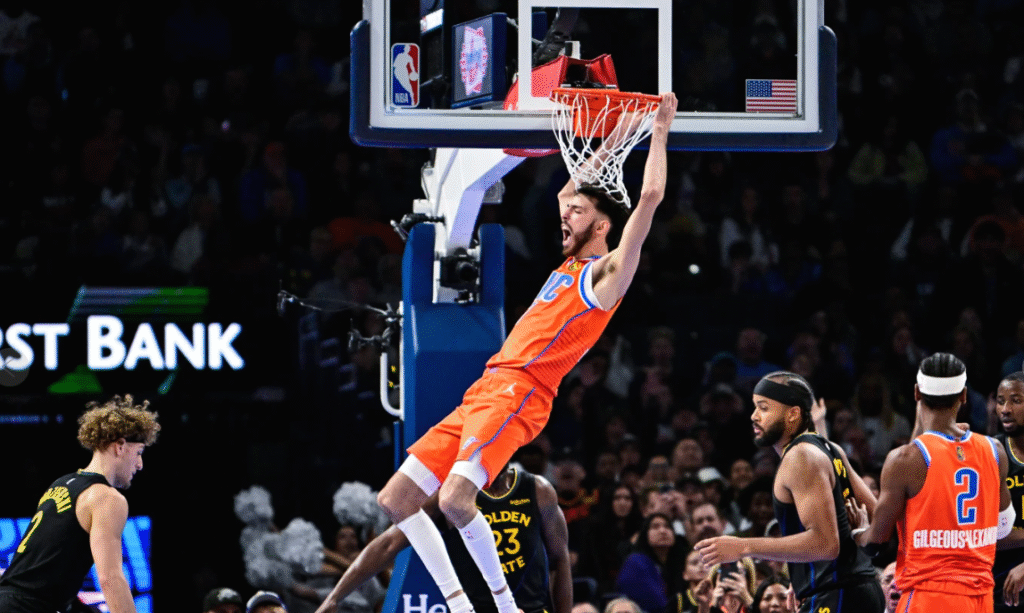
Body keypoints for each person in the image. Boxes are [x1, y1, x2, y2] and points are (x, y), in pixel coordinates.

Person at [374, 92, 678, 613]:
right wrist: (621, 130)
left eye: (578, 213)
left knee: (454, 500)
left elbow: (649, 195)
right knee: (395, 500)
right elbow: (567, 187)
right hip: (485, 389)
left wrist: (659, 127)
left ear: (602, 226)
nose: (566, 213)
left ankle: (504, 606)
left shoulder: (606, 276)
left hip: (522, 391)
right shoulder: (568, 263)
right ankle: (459, 603)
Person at [695, 371, 883, 612]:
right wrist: (804, 574)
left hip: (838, 595)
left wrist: (743, 547)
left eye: (764, 408)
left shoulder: (800, 456)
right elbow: (878, 517)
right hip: (857, 590)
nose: (754, 416)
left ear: (792, 414)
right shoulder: (829, 448)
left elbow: (826, 544)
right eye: (755, 407)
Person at [850, 353, 1014, 613]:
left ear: (917, 393)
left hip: (928, 598)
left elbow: (875, 543)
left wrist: (859, 531)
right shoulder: (995, 450)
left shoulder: (905, 459)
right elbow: (1003, 528)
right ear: (964, 395)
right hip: (980, 598)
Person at [315, 465, 571, 613]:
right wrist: (335, 597)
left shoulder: (538, 490)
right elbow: (388, 544)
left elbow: (560, 560)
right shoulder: (449, 497)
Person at [0, 395, 160, 613]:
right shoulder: (107, 498)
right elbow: (110, 578)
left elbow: (47, 571)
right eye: (139, 452)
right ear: (120, 446)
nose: (140, 464)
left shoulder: (61, 484)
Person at [989, 372, 1024, 610]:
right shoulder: (990, 453)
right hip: (1000, 582)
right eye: (1001, 402)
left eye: (1016, 401)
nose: (1005, 409)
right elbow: (984, 533)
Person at [615, 512, 688, 613]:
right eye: (655, 527)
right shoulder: (636, 562)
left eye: (667, 526)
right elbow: (658, 605)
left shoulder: (680, 562)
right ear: (645, 534)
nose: (663, 531)